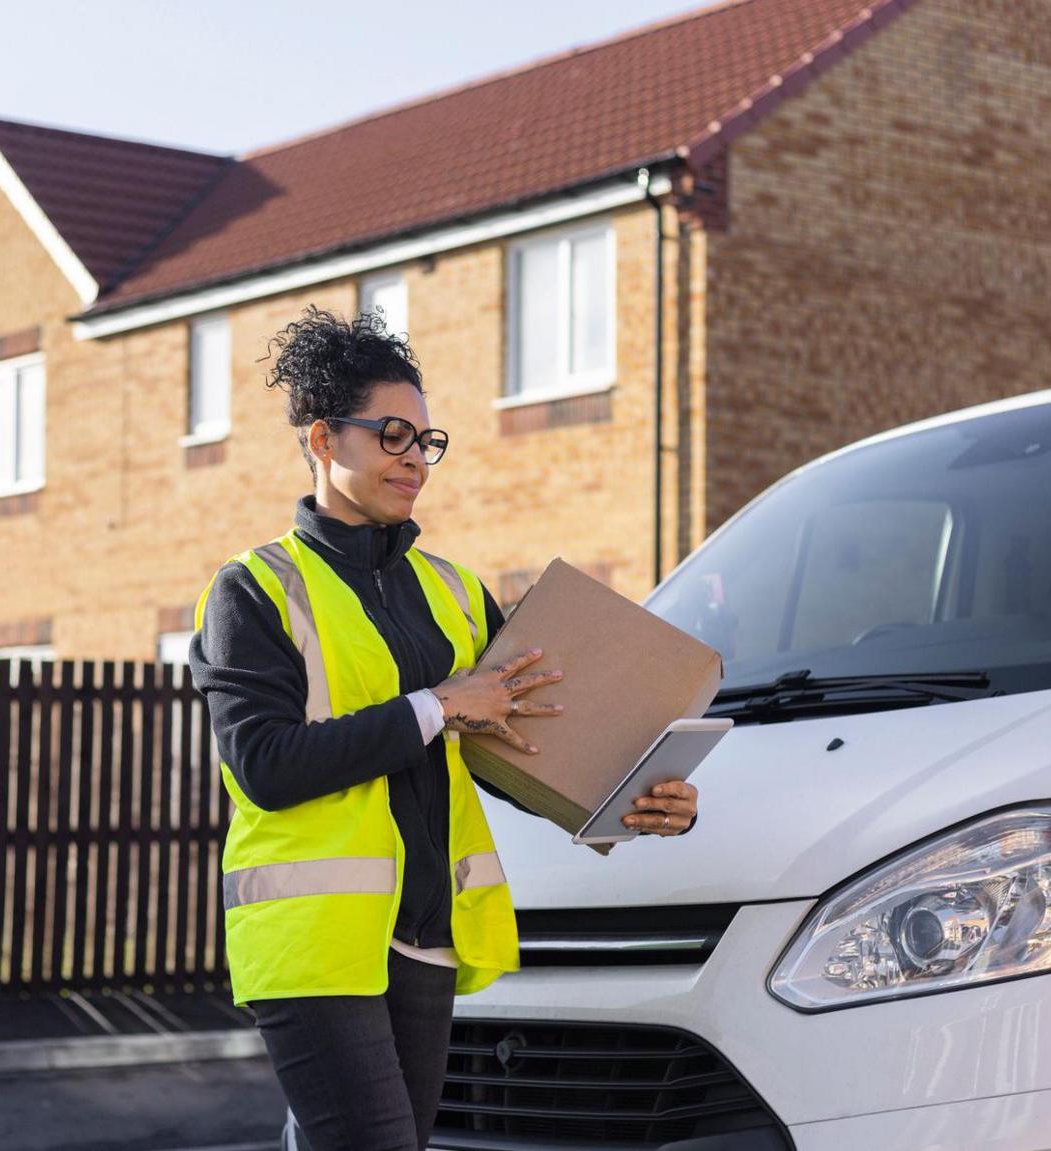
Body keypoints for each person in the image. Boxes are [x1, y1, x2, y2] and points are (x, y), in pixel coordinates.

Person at [188, 306, 699, 1151]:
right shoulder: (252, 591)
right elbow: (265, 766)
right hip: (315, 943)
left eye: (426, 441)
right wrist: (439, 704)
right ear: (323, 439)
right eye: (393, 435)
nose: (415, 460)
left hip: (426, 938)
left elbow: (511, 753)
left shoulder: (457, 594)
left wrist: (633, 798)